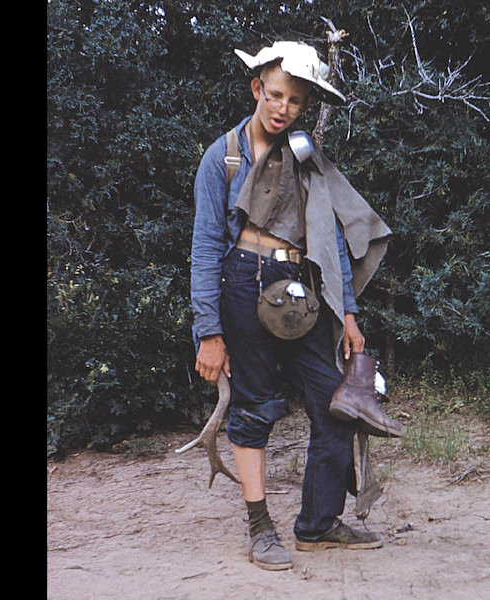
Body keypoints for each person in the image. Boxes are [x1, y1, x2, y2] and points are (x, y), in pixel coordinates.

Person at [190, 41, 394, 571]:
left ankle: (317, 524)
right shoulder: (224, 155)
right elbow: (206, 246)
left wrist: (347, 312)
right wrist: (208, 332)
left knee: (338, 403)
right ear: (257, 89)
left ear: (305, 105)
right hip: (243, 281)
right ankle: (260, 528)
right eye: (276, 95)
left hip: (302, 291)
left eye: (296, 101)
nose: (283, 109)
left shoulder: (307, 155)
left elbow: (330, 235)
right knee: (255, 407)